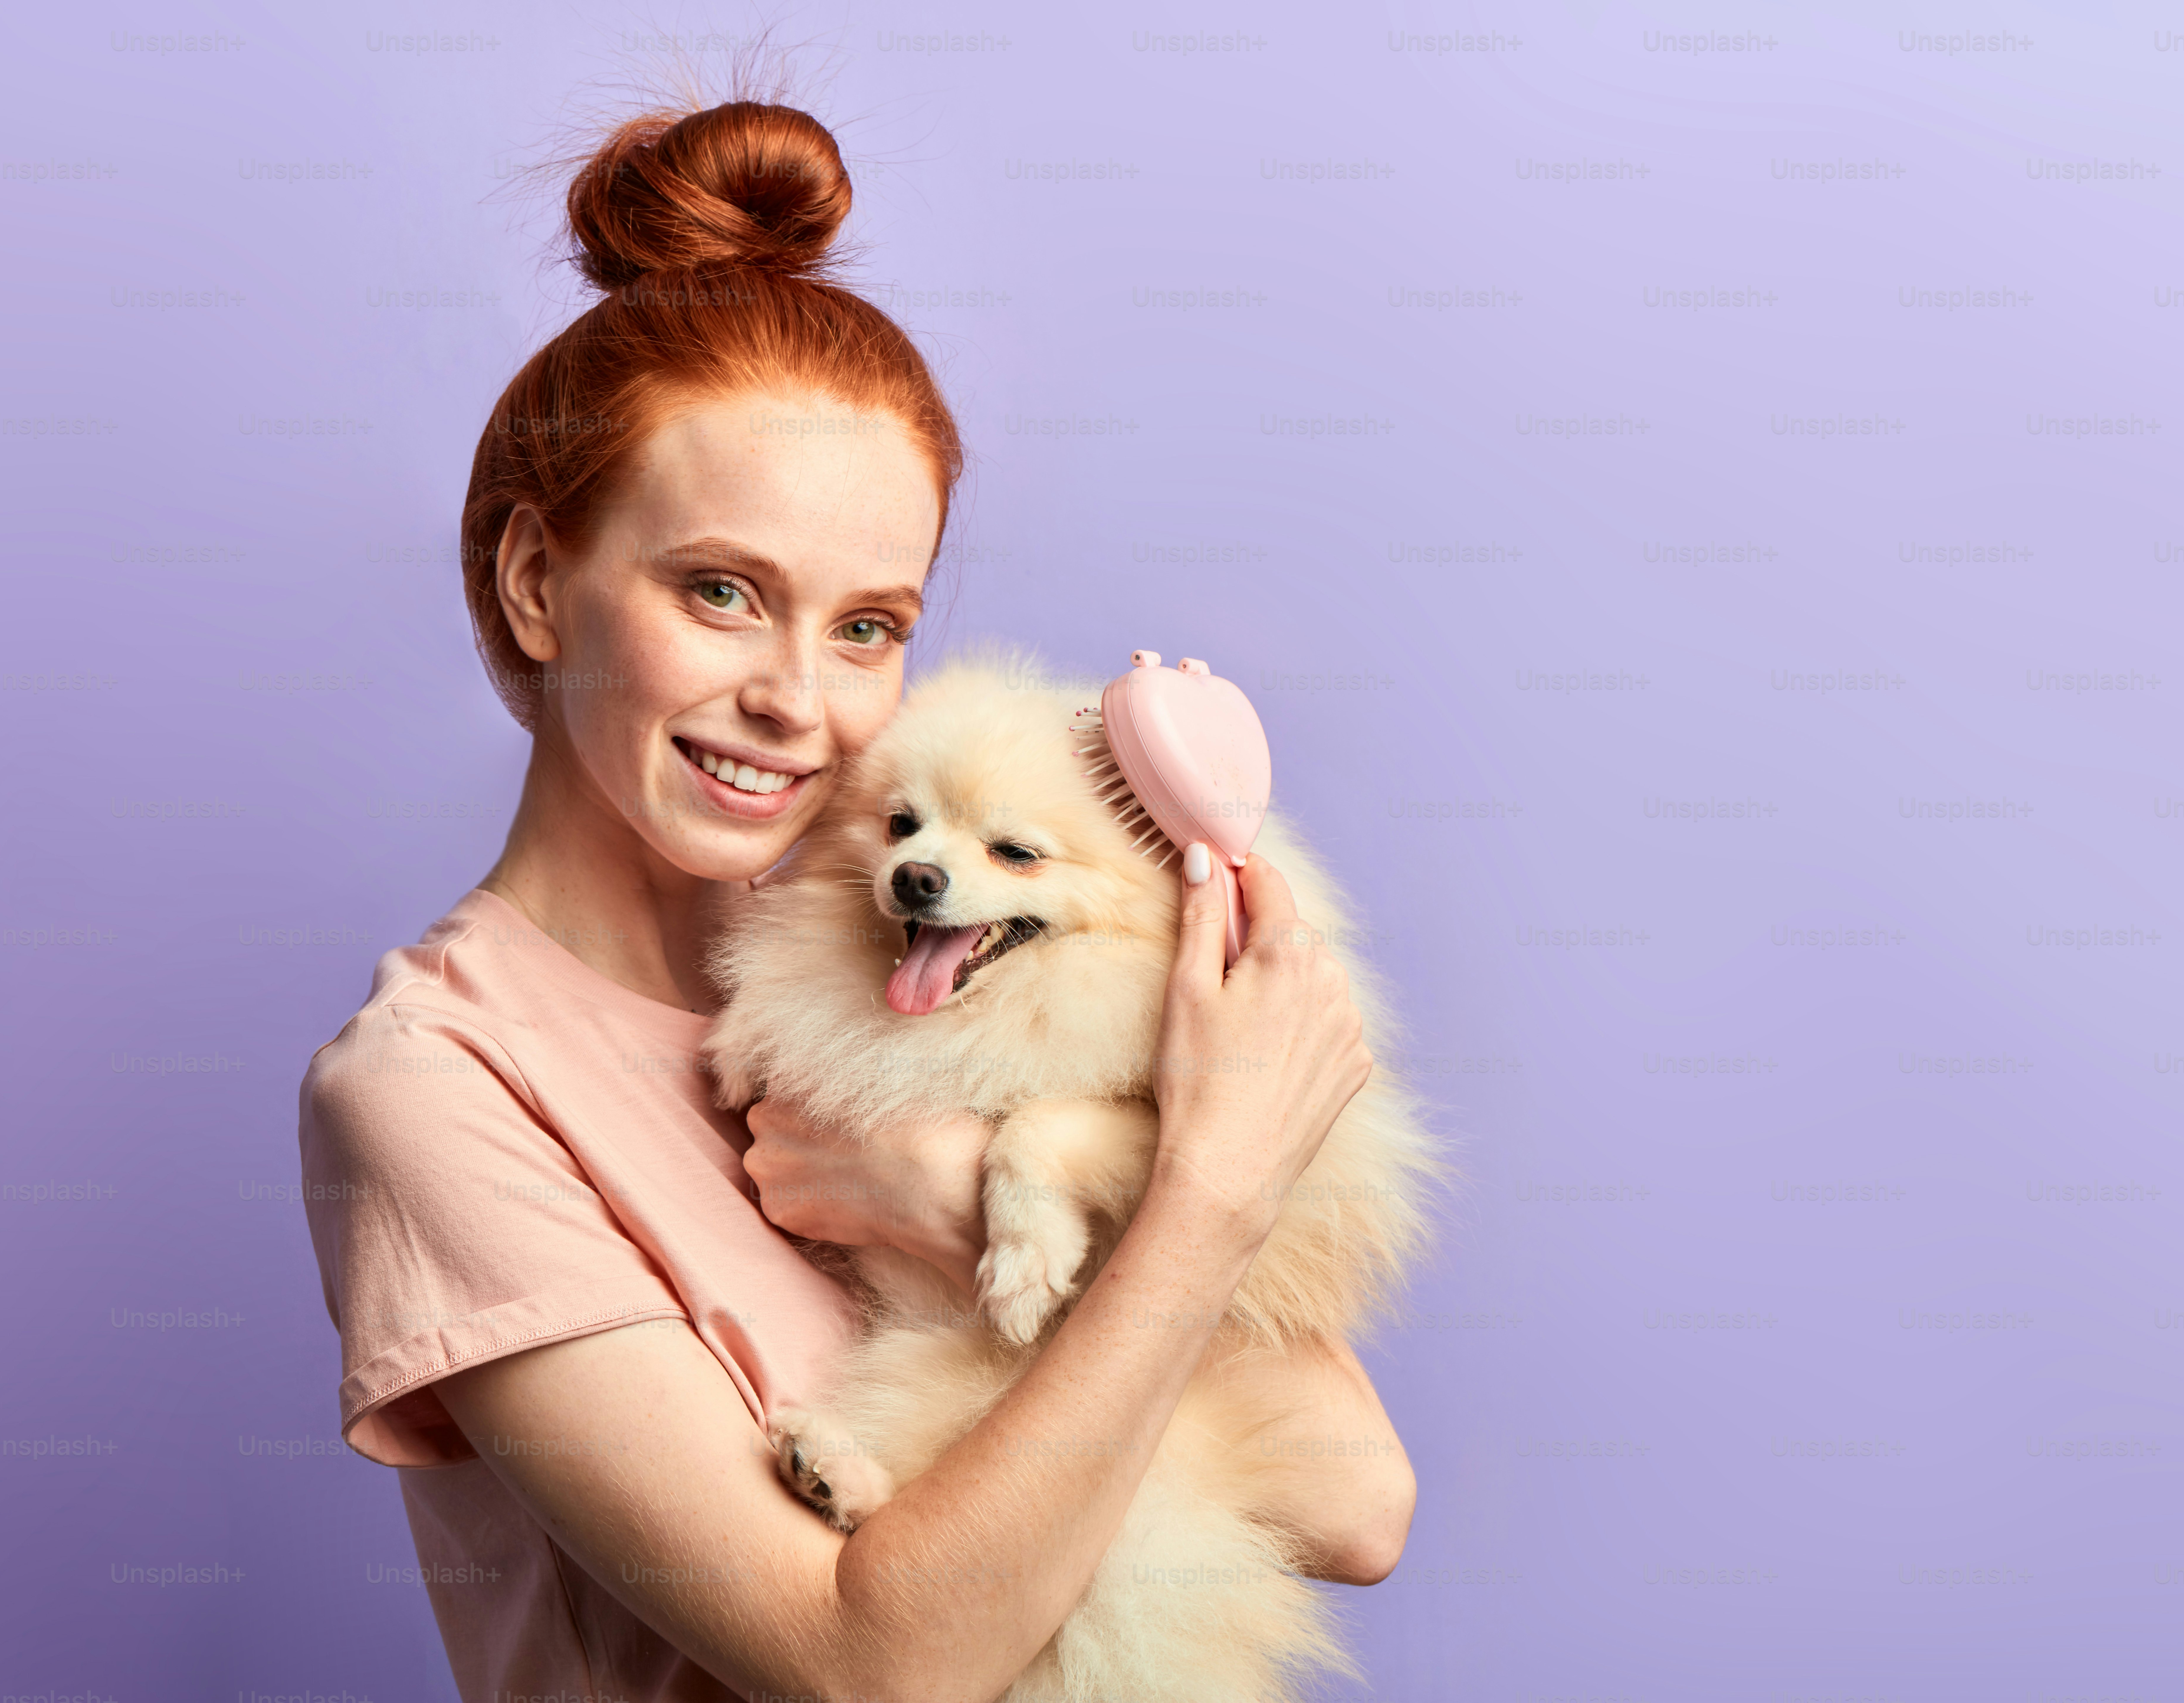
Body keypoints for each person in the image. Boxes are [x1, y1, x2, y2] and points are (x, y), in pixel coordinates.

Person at [297, 97, 1414, 1702]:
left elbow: (1353, 1498)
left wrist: (958, 1201)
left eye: (869, 626)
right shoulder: (434, 1090)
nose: (796, 701)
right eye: (720, 593)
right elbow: (872, 1665)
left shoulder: (952, 988)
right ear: (539, 582)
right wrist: (1205, 1191)